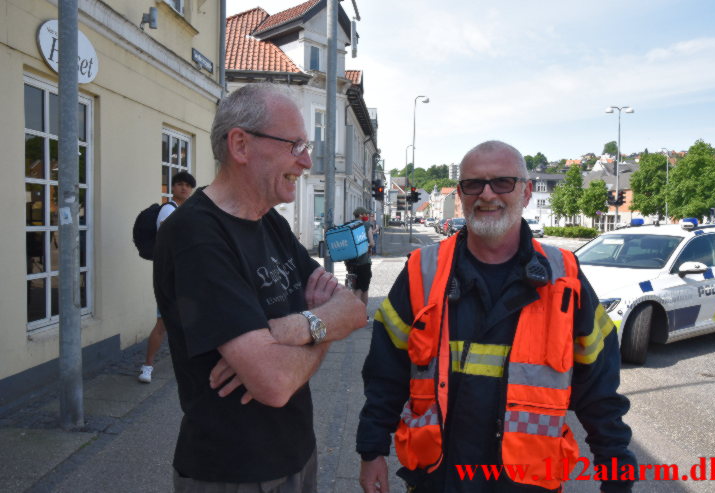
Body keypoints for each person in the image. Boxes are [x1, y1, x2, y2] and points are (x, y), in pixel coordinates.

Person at [357, 140, 637, 493]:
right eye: (474, 184)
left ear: (527, 192)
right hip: (439, 479)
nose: (487, 195)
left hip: (527, 482)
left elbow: (599, 387)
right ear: (461, 194)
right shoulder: (422, 272)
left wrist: (616, 473)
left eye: (502, 182)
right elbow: (385, 373)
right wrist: (371, 451)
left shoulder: (564, 277)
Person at [153, 83, 366, 492]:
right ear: (240, 145)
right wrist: (321, 327)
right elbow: (274, 383)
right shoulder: (195, 235)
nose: (305, 161)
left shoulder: (271, 223)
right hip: (232, 472)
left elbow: (354, 309)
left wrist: (291, 329)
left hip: (298, 453)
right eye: (295, 145)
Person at [138, 170, 196, 383]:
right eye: (180, 184)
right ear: (173, 188)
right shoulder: (168, 210)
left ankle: (187, 363)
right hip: (170, 275)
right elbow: (172, 241)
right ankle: (147, 366)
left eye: (188, 185)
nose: (184, 188)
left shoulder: (185, 210)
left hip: (185, 274)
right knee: (162, 322)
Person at [345, 207, 375, 306]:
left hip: (350, 263)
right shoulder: (366, 225)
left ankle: (354, 312)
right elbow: (372, 243)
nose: (367, 216)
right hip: (363, 262)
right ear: (361, 215)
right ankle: (360, 314)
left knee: (354, 288)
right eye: (366, 214)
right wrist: (369, 245)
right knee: (363, 289)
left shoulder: (348, 225)